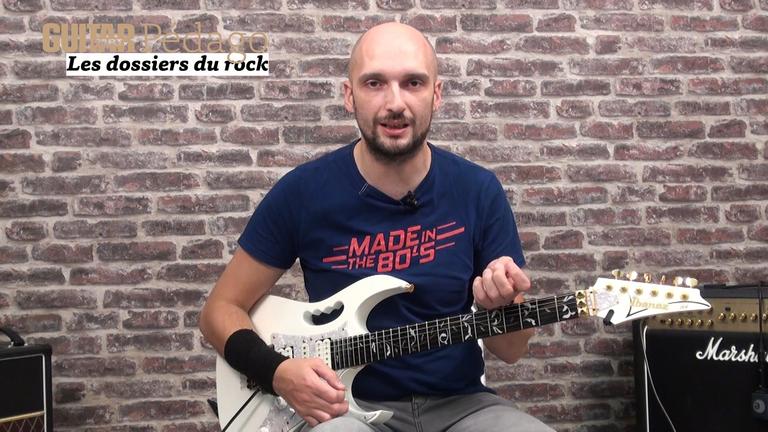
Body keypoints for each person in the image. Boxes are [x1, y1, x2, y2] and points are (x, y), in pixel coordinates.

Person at [199, 22, 554, 432]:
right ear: (349, 95)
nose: (395, 103)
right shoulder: (303, 192)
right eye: (375, 83)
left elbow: (510, 350)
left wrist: (500, 306)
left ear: (436, 94)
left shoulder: (478, 190)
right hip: (346, 410)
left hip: (463, 406)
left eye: (413, 83)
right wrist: (277, 372)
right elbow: (218, 311)